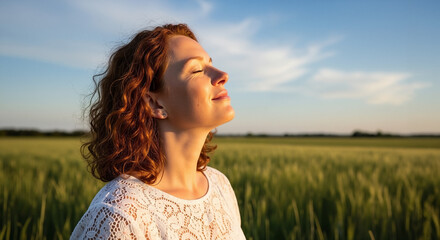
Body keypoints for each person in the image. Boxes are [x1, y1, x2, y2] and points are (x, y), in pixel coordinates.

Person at [71, 23, 246, 239]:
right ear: (154, 103)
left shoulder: (220, 185)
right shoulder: (121, 215)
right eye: (197, 70)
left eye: (211, 64)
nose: (223, 74)